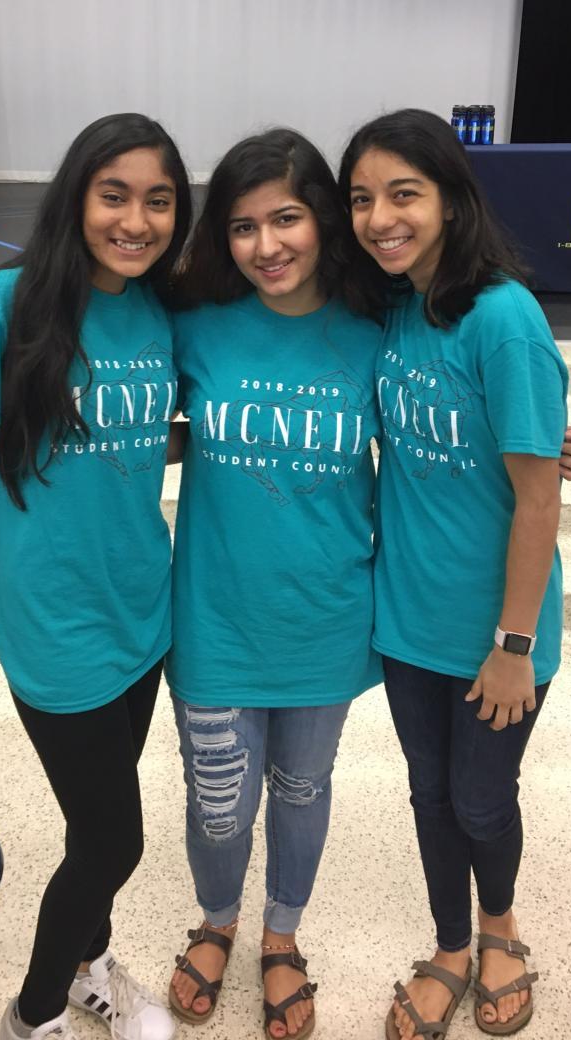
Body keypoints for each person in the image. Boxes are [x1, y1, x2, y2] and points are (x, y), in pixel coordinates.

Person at [0, 113, 192, 1040]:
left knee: (90, 826)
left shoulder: (161, 310)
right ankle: (32, 1015)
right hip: (54, 622)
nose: (136, 221)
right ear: (77, 197)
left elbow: (147, 433)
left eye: (158, 201)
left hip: (143, 608)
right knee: (116, 839)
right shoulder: (11, 302)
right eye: (115, 196)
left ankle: (88, 964)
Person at [339, 109, 571, 1039]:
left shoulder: (504, 319)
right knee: (429, 794)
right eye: (362, 199)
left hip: (496, 632)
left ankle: (499, 928)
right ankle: (448, 944)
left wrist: (514, 645)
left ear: (451, 200)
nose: (379, 218)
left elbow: (539, 500)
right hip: (407, 621)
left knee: (480, 798)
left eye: (403, 194)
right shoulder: (392, 310)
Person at [165, 129, 386, 1040]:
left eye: (286, 218)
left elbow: (436, 430)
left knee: (302, 789)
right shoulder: (195, 323)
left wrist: (532, 442)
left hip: (327, 621)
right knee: (219, 808)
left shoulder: (376, 330)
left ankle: (281, 935)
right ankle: (217, 922)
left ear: (322, 219)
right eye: (243, 226)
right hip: (215, 622)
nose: (267, 246)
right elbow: (122, 400)